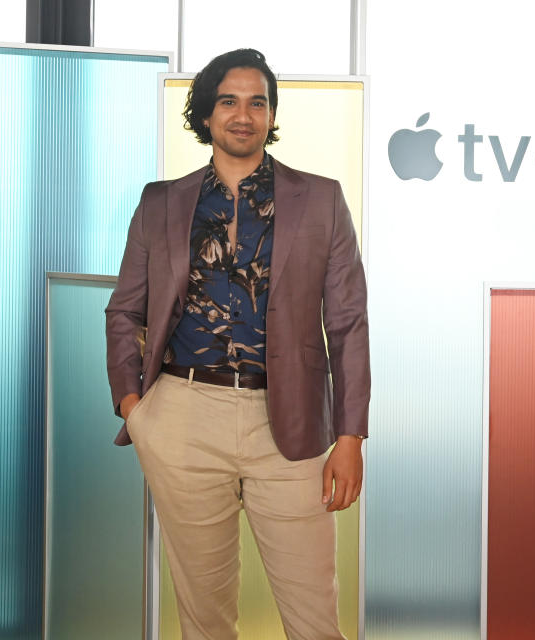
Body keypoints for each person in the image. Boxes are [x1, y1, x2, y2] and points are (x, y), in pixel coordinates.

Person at [105, 48, 370, 640]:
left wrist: (350, 436)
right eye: (229, 100)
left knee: (313, 617)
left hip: (292, 425)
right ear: (205, 115)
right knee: (204, 619)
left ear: (272, 117)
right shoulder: (160, 202)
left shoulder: (321, 199)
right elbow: (125, 310)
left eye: (258, 102)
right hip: (182, 417)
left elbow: (348, 322)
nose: (244, 114)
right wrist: (135, 409)